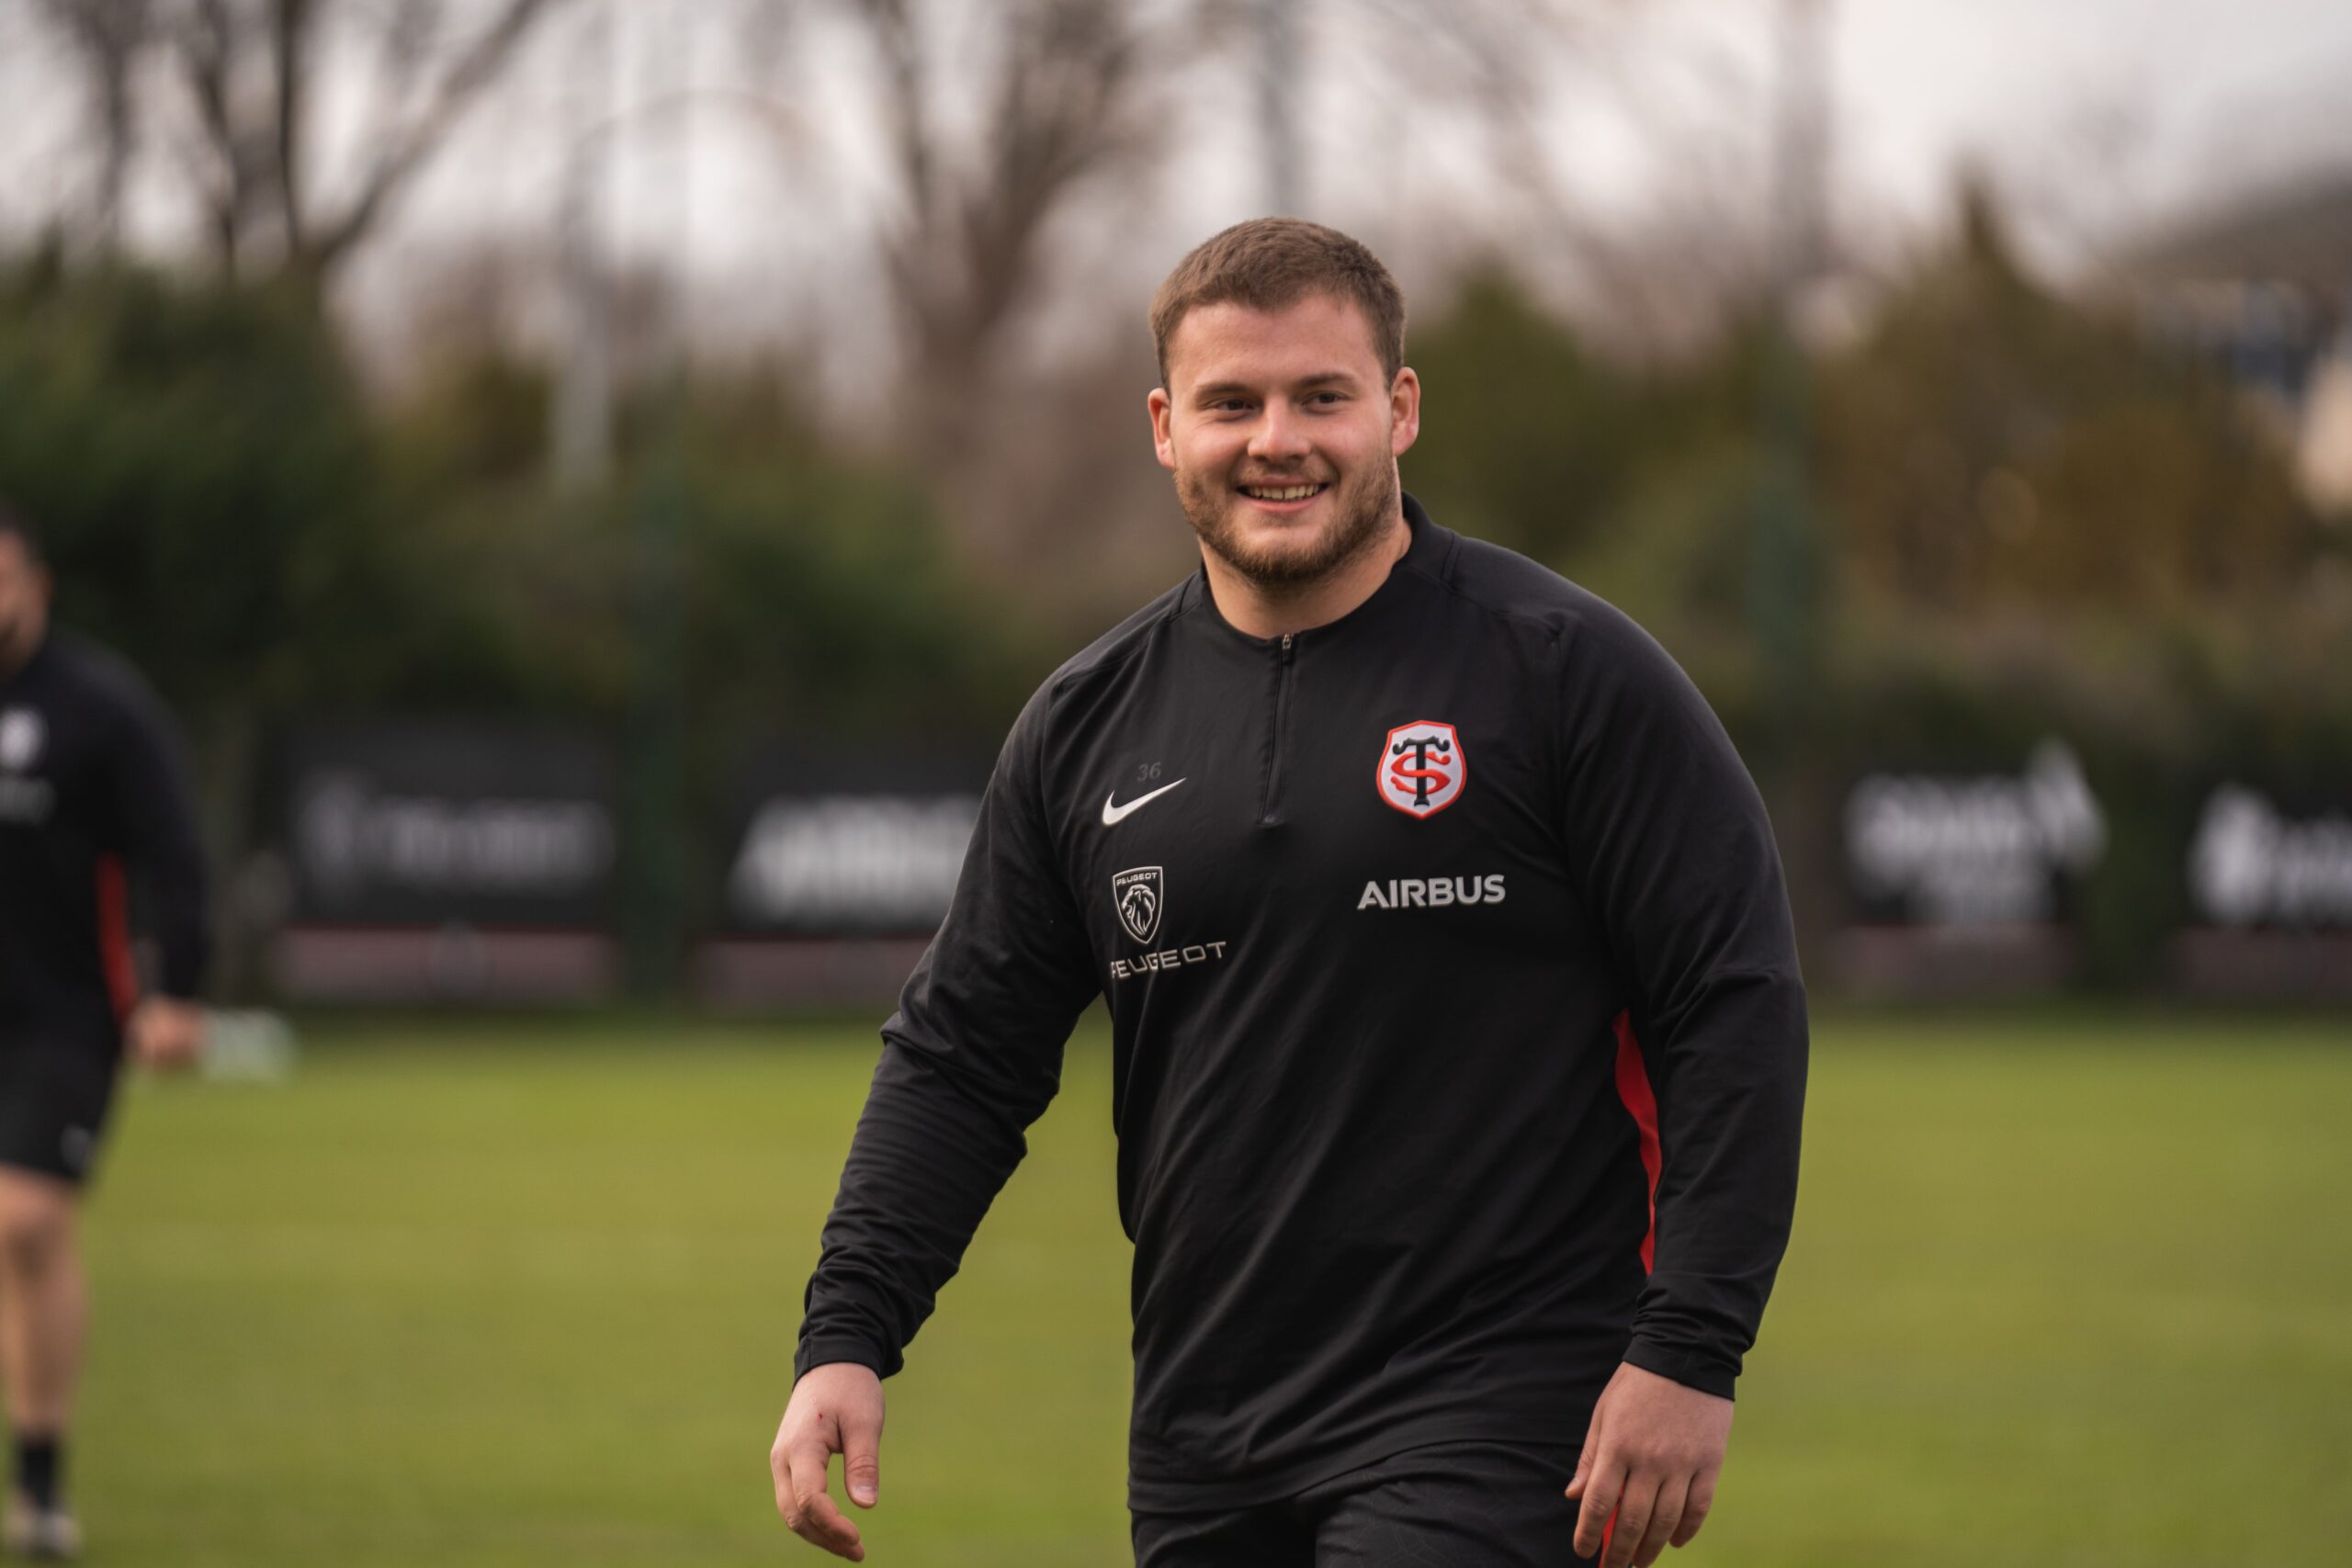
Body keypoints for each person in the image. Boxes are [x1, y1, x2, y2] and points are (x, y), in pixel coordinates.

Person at [770, 219, 1806, 1568]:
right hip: (1204, 1425)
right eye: (1231, 403)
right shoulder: (1085, 726)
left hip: (1505, 1404)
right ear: (1165, 427)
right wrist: (848, 1332)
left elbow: (1731, 1001)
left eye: (1322, 396)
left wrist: (1688, 1348)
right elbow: (962, 1058)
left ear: (1400, 409)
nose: (1278, 440)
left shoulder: (1564, 674)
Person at [0, 503, 210, 1561]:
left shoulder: (99, 708)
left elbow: (174, 854)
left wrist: (179, 990)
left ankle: (39, 1483)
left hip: (66, 1018)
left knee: (25, 1224)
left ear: (35, 585)